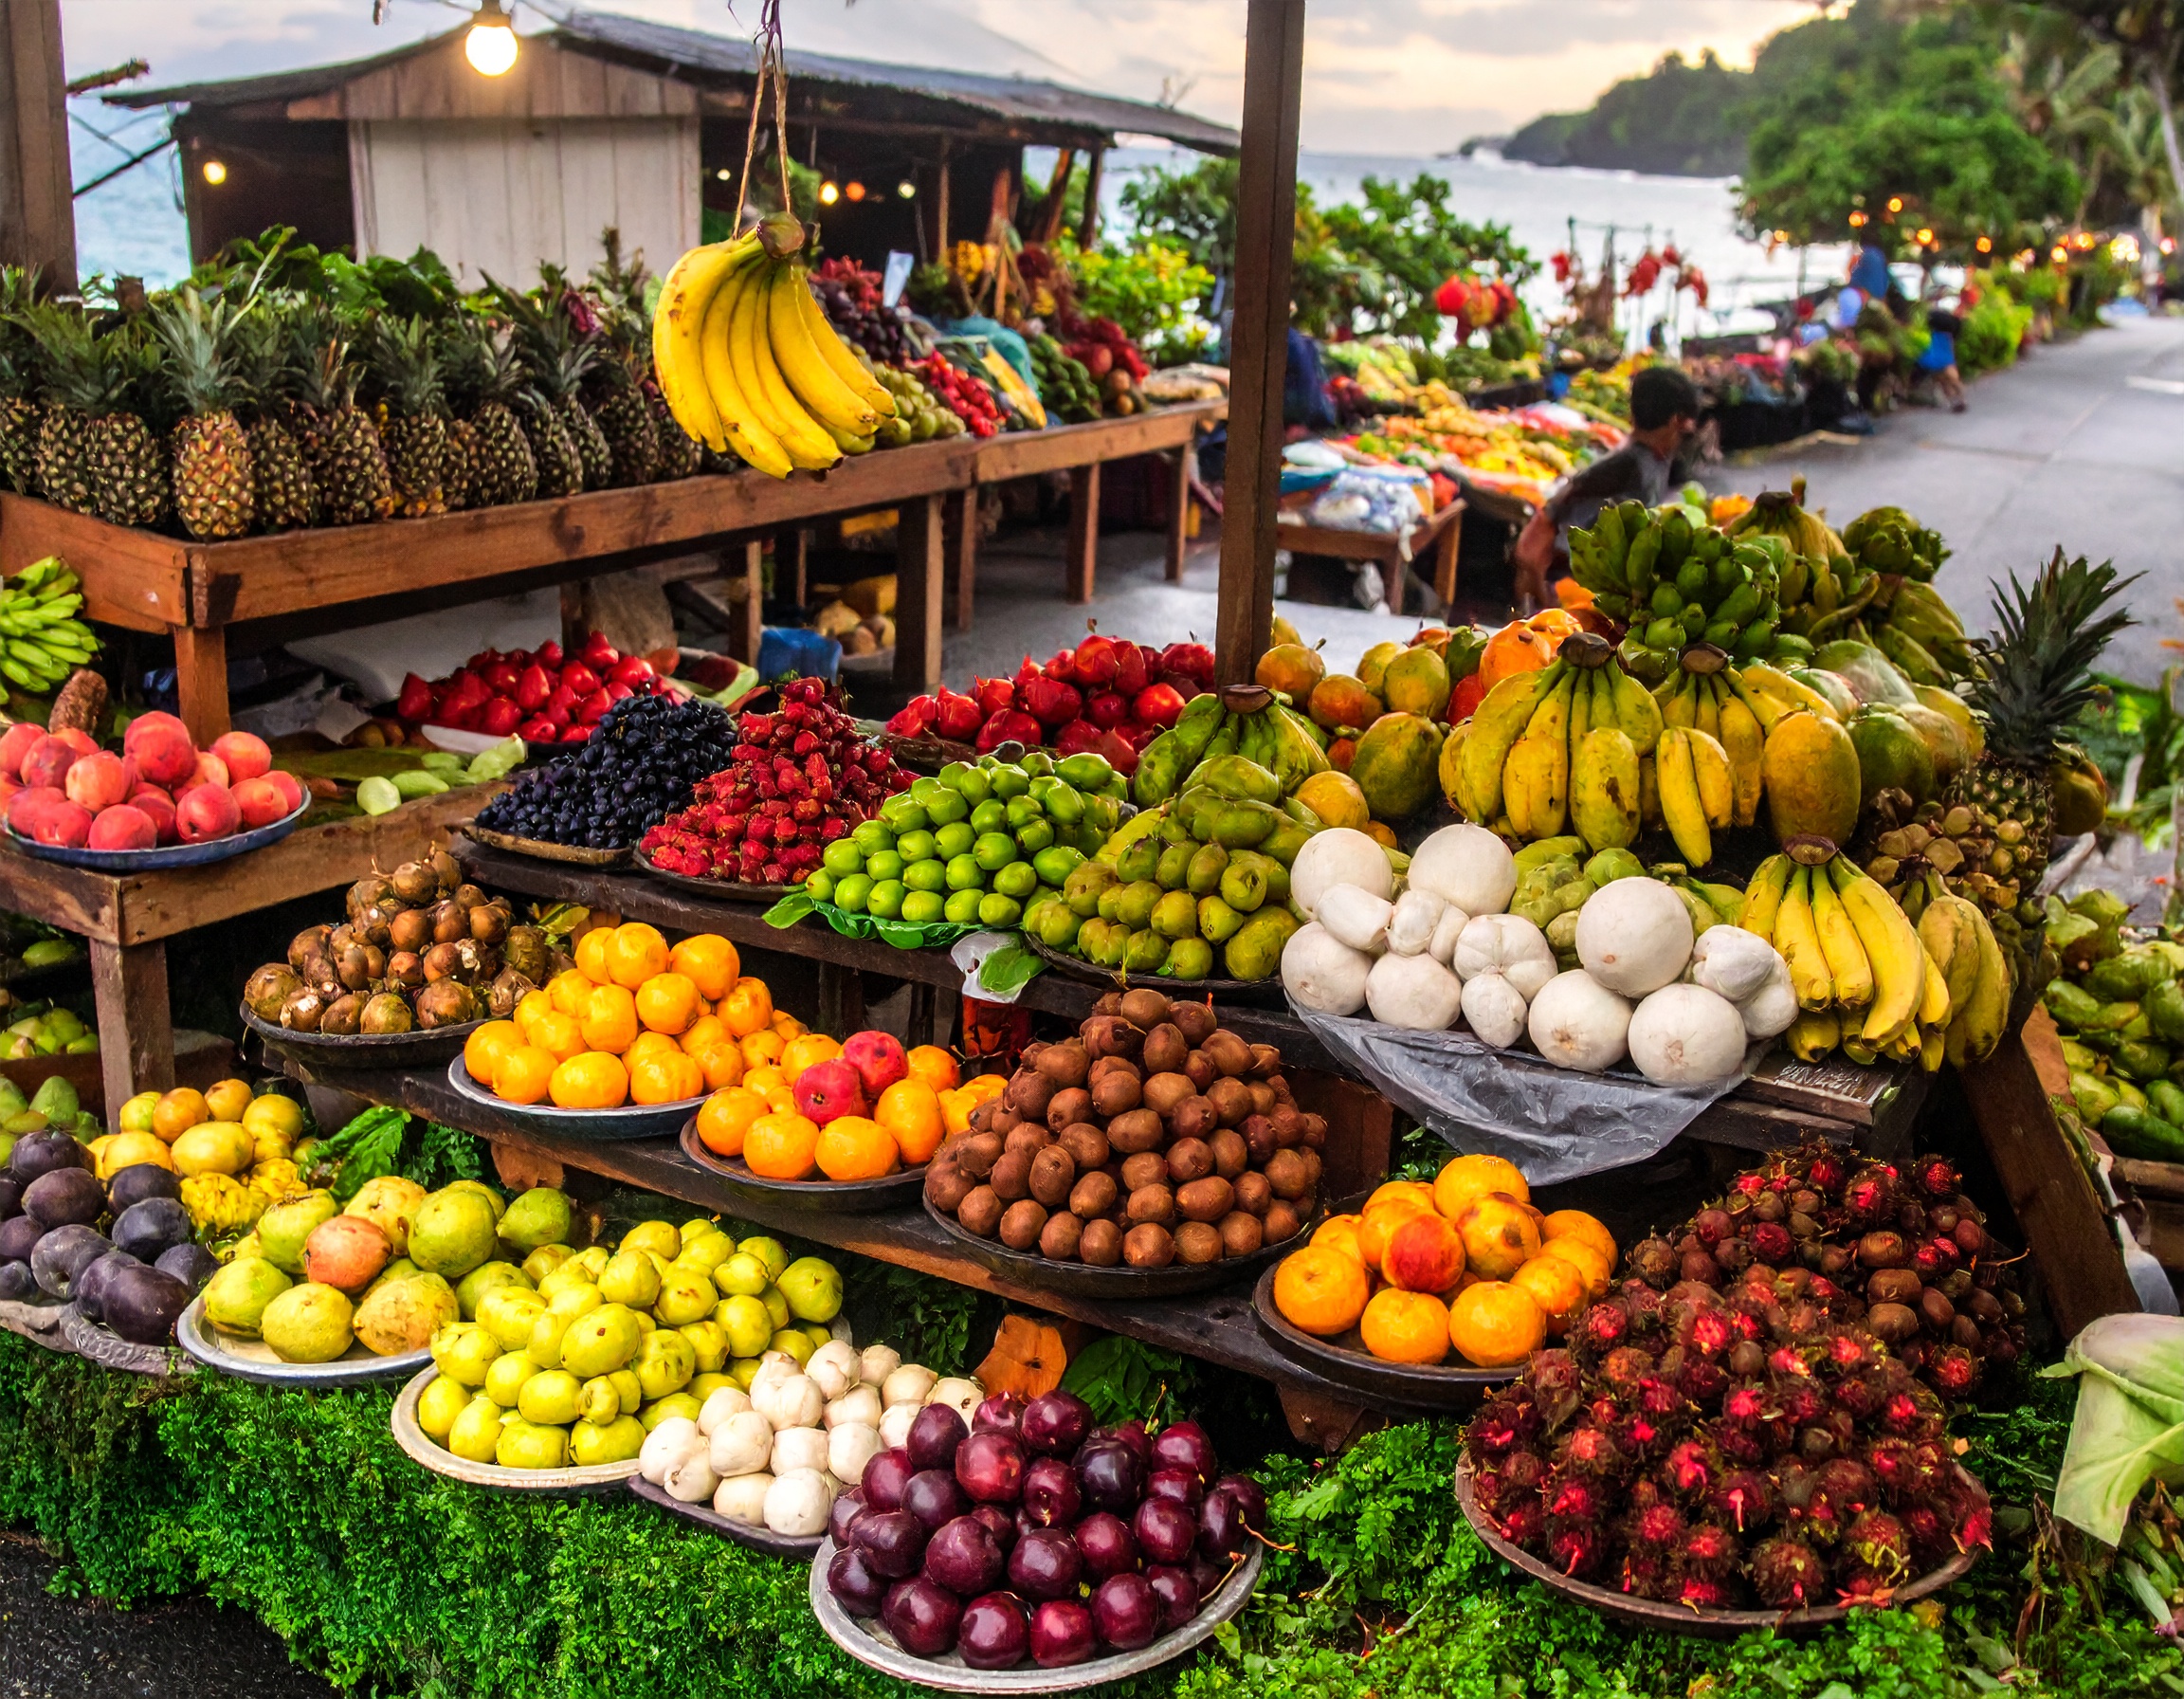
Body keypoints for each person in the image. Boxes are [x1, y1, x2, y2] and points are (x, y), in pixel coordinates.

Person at [1513, 365, 1702, 610]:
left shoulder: (1650, 459)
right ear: (1676, 421)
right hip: (1576, 598)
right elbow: (1546, 530)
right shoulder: (1626, 466)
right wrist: (1546, 595)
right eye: (1686, 426)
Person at [1916, 301, 1967, 411]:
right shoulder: (1948, 333)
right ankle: (1960, 401)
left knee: (1944, 381)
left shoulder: (1933, 331)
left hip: (1934, 358)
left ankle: (1955, 402)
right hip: (1945, 357)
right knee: (1953, 381)